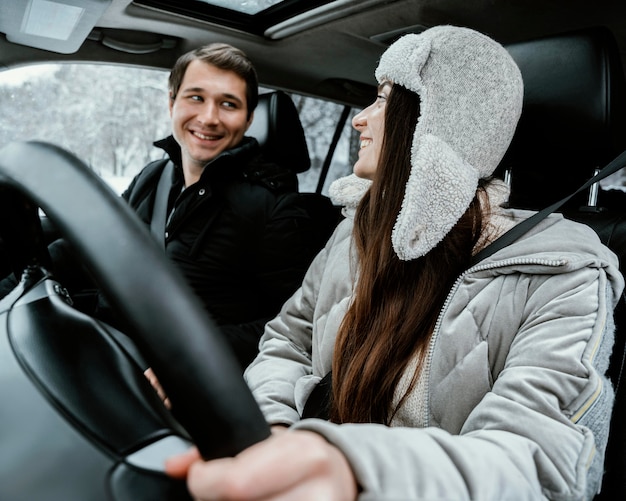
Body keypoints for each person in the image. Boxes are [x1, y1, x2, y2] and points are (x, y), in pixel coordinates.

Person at [164, 26, 625, 500]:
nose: (361, 120)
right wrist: (276, 429)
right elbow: (287, 339)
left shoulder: (563, 273)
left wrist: (355, 469)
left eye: (384, 100)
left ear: (434, 122)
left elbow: (542, 465)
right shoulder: (354, 234)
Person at [0, 43, 332, 371]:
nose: (209, 117)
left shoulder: (274, 208)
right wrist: (13, 286)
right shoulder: (153, 176)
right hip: (108, 349)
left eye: (228, 104)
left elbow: (288, 326)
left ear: (247, 120)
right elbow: (95, 245)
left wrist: (188, 361)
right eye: (196, 98)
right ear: (172, 103)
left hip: (184, 385)